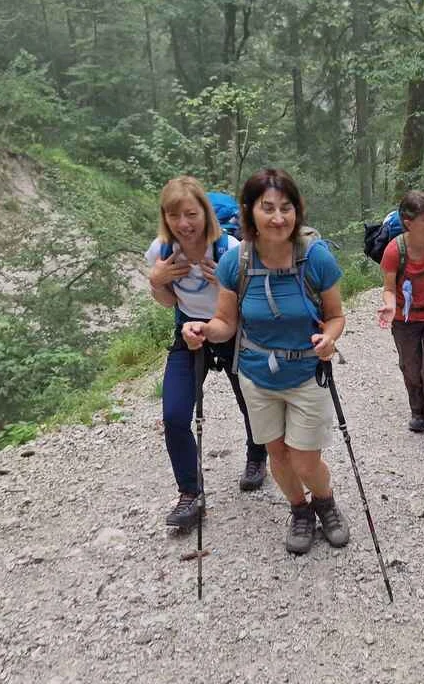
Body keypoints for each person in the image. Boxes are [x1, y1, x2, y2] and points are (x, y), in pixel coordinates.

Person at [181, 168, 350, 555]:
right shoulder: (236, 262)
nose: (278, 217)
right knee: (278, 454)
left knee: (305, 460)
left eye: (286, 208)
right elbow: (226, 323)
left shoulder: (315, 257)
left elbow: (336, 316)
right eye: (267, 208)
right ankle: (300, 510)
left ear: (297, 211)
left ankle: (325, 503)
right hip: (257, 377)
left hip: (306, 373)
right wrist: (203, 330)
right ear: (250, 211)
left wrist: (329, 338)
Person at [146, 176, 268, 532]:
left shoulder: (230, 248)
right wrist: (156, 280)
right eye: (174, 215)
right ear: (165, 217)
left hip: (234, 329)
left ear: (205, 213)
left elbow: (254, 299)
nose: (183, 224)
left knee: (251, 402)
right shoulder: (161, 251)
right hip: (187, 331)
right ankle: (190, 493)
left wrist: (225, 284)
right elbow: (168, 301)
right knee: (174, 414)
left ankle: (256, 456)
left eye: (191, 214)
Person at [376, 191, 424, 442]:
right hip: (405, 319)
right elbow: (389, 288)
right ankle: (418, 412)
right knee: (410, 368)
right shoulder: (393, 251)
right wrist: (390, 306)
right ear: (408, 223)